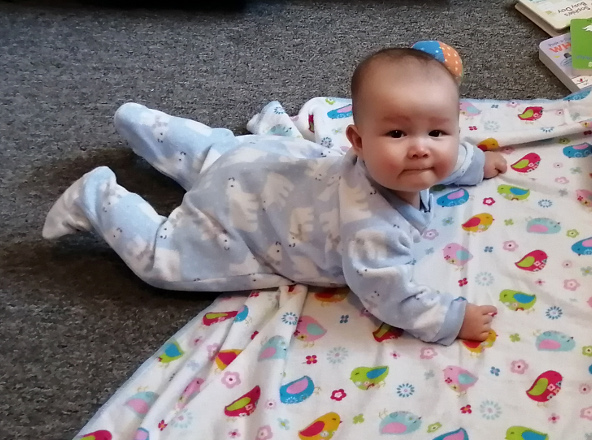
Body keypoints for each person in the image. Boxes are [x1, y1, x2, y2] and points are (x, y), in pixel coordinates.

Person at [41, 47, 507, 344]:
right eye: (398, 133)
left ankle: (144, 123)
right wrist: (449, 318)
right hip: (242, 217)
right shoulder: (372, 231)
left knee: (214, 150)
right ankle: (99, 197)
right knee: (166, 260)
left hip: (268, 161)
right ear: (358, 142)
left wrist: (473, 164)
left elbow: (449, 156)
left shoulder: (422, 158)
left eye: (439, 131)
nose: (422, 148)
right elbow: (390, 295)